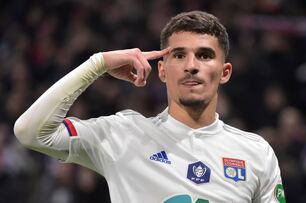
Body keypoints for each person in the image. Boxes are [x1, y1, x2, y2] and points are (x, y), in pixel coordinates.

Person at [14, 11, 285, 203]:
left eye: (204, 55)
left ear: (224, 72)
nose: (191, 65)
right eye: (179, 55)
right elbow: (31, 131)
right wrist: (98, 64)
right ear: (163, 71)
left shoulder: (256, 152)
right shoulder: (122, 134)